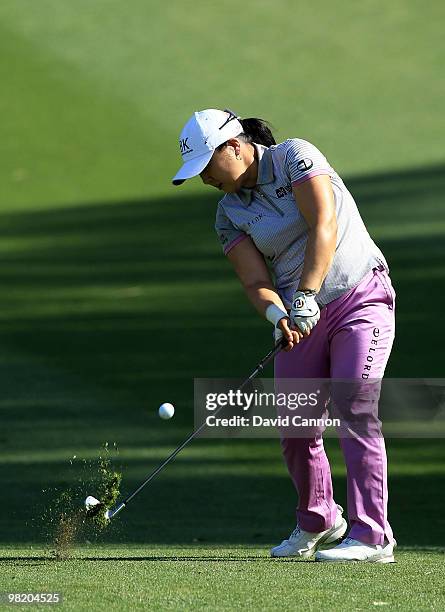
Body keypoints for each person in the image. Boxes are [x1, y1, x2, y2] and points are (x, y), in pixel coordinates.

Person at [172, 108, 397, 563]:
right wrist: (279, 316)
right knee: (296, 424)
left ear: (233, 146)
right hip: (300, 318)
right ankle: (318, 520)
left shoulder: (295, 155)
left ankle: (373, 537)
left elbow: (323, 225)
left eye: (207, 167)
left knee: (354, 406)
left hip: (359, 297)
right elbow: (255, 281)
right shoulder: (228, 214)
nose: (205, 180)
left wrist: (307, 294)